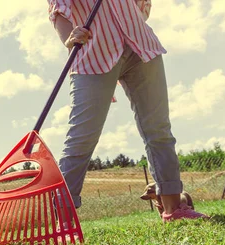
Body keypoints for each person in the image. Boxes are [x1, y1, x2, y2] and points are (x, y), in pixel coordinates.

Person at [48, 0, 209, 222]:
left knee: (158, 129)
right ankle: (63, 222)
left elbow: (141, 7)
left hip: (140, 45)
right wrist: (69, 36)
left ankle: (174, 209)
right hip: (93, 55)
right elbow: (58, 8)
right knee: (81, 138)